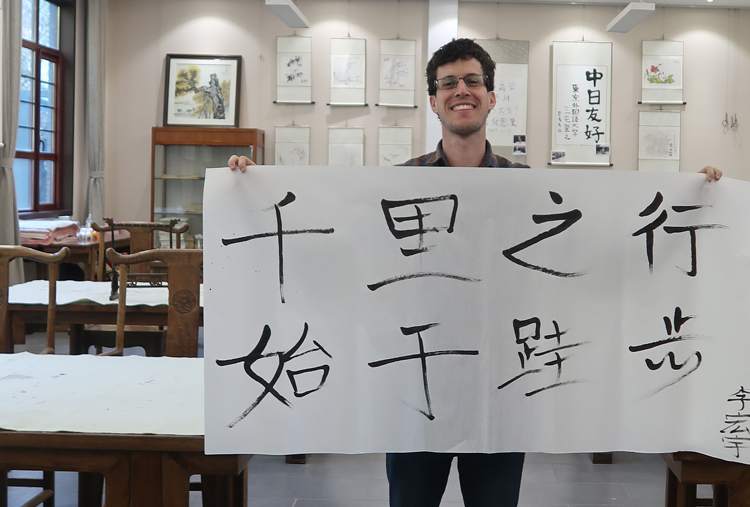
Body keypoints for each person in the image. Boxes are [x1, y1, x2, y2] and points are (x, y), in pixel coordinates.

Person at [229, 37, 722, 507]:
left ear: (491, 97)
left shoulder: (525, 188)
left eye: (472, 81)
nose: (460, 90)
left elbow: (593, 248)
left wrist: (693, 195)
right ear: (433, 101)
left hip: (499, 389)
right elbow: (339, 246)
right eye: (448, 83)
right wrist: (252, 190)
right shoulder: (397, 185)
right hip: (417, 381)